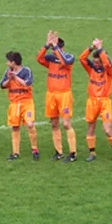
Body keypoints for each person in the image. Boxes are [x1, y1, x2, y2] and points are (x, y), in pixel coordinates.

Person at [37, 30, 77, 162]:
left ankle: (73, 153)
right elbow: (39, 59)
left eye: (58, 47)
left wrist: (55, 48)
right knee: (54, 123)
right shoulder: (50, 59)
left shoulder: (69, 57)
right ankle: (58, 152)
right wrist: (46, 45)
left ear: (62, 48)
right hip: (51, 95)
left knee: (66, 124)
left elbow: (65, 62)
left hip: (64, 95)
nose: (56, 50)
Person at [79, 39, 112, 162]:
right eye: (95, 62)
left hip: (104, 102)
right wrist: (91, 48)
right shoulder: (91, 69)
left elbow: (107, 64)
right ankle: (92, 153)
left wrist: (100, 49)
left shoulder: (109, 71)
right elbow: (82, 58)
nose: (96, 64)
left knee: (107, 129)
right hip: (91, 101)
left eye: (99, 62)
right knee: (90, 127)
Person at [1, 51, 39, 161]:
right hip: (14, 104)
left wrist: (15, 78)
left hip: (26, 103)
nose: (7, 63)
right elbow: (2, 85)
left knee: (30, 124)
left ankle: (35, 149)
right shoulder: (8, 72)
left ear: (13, 62)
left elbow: (28, 83)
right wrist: (9, 79)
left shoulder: (26, 71)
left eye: (8, 61)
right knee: (15, 126)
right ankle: (15, 152)